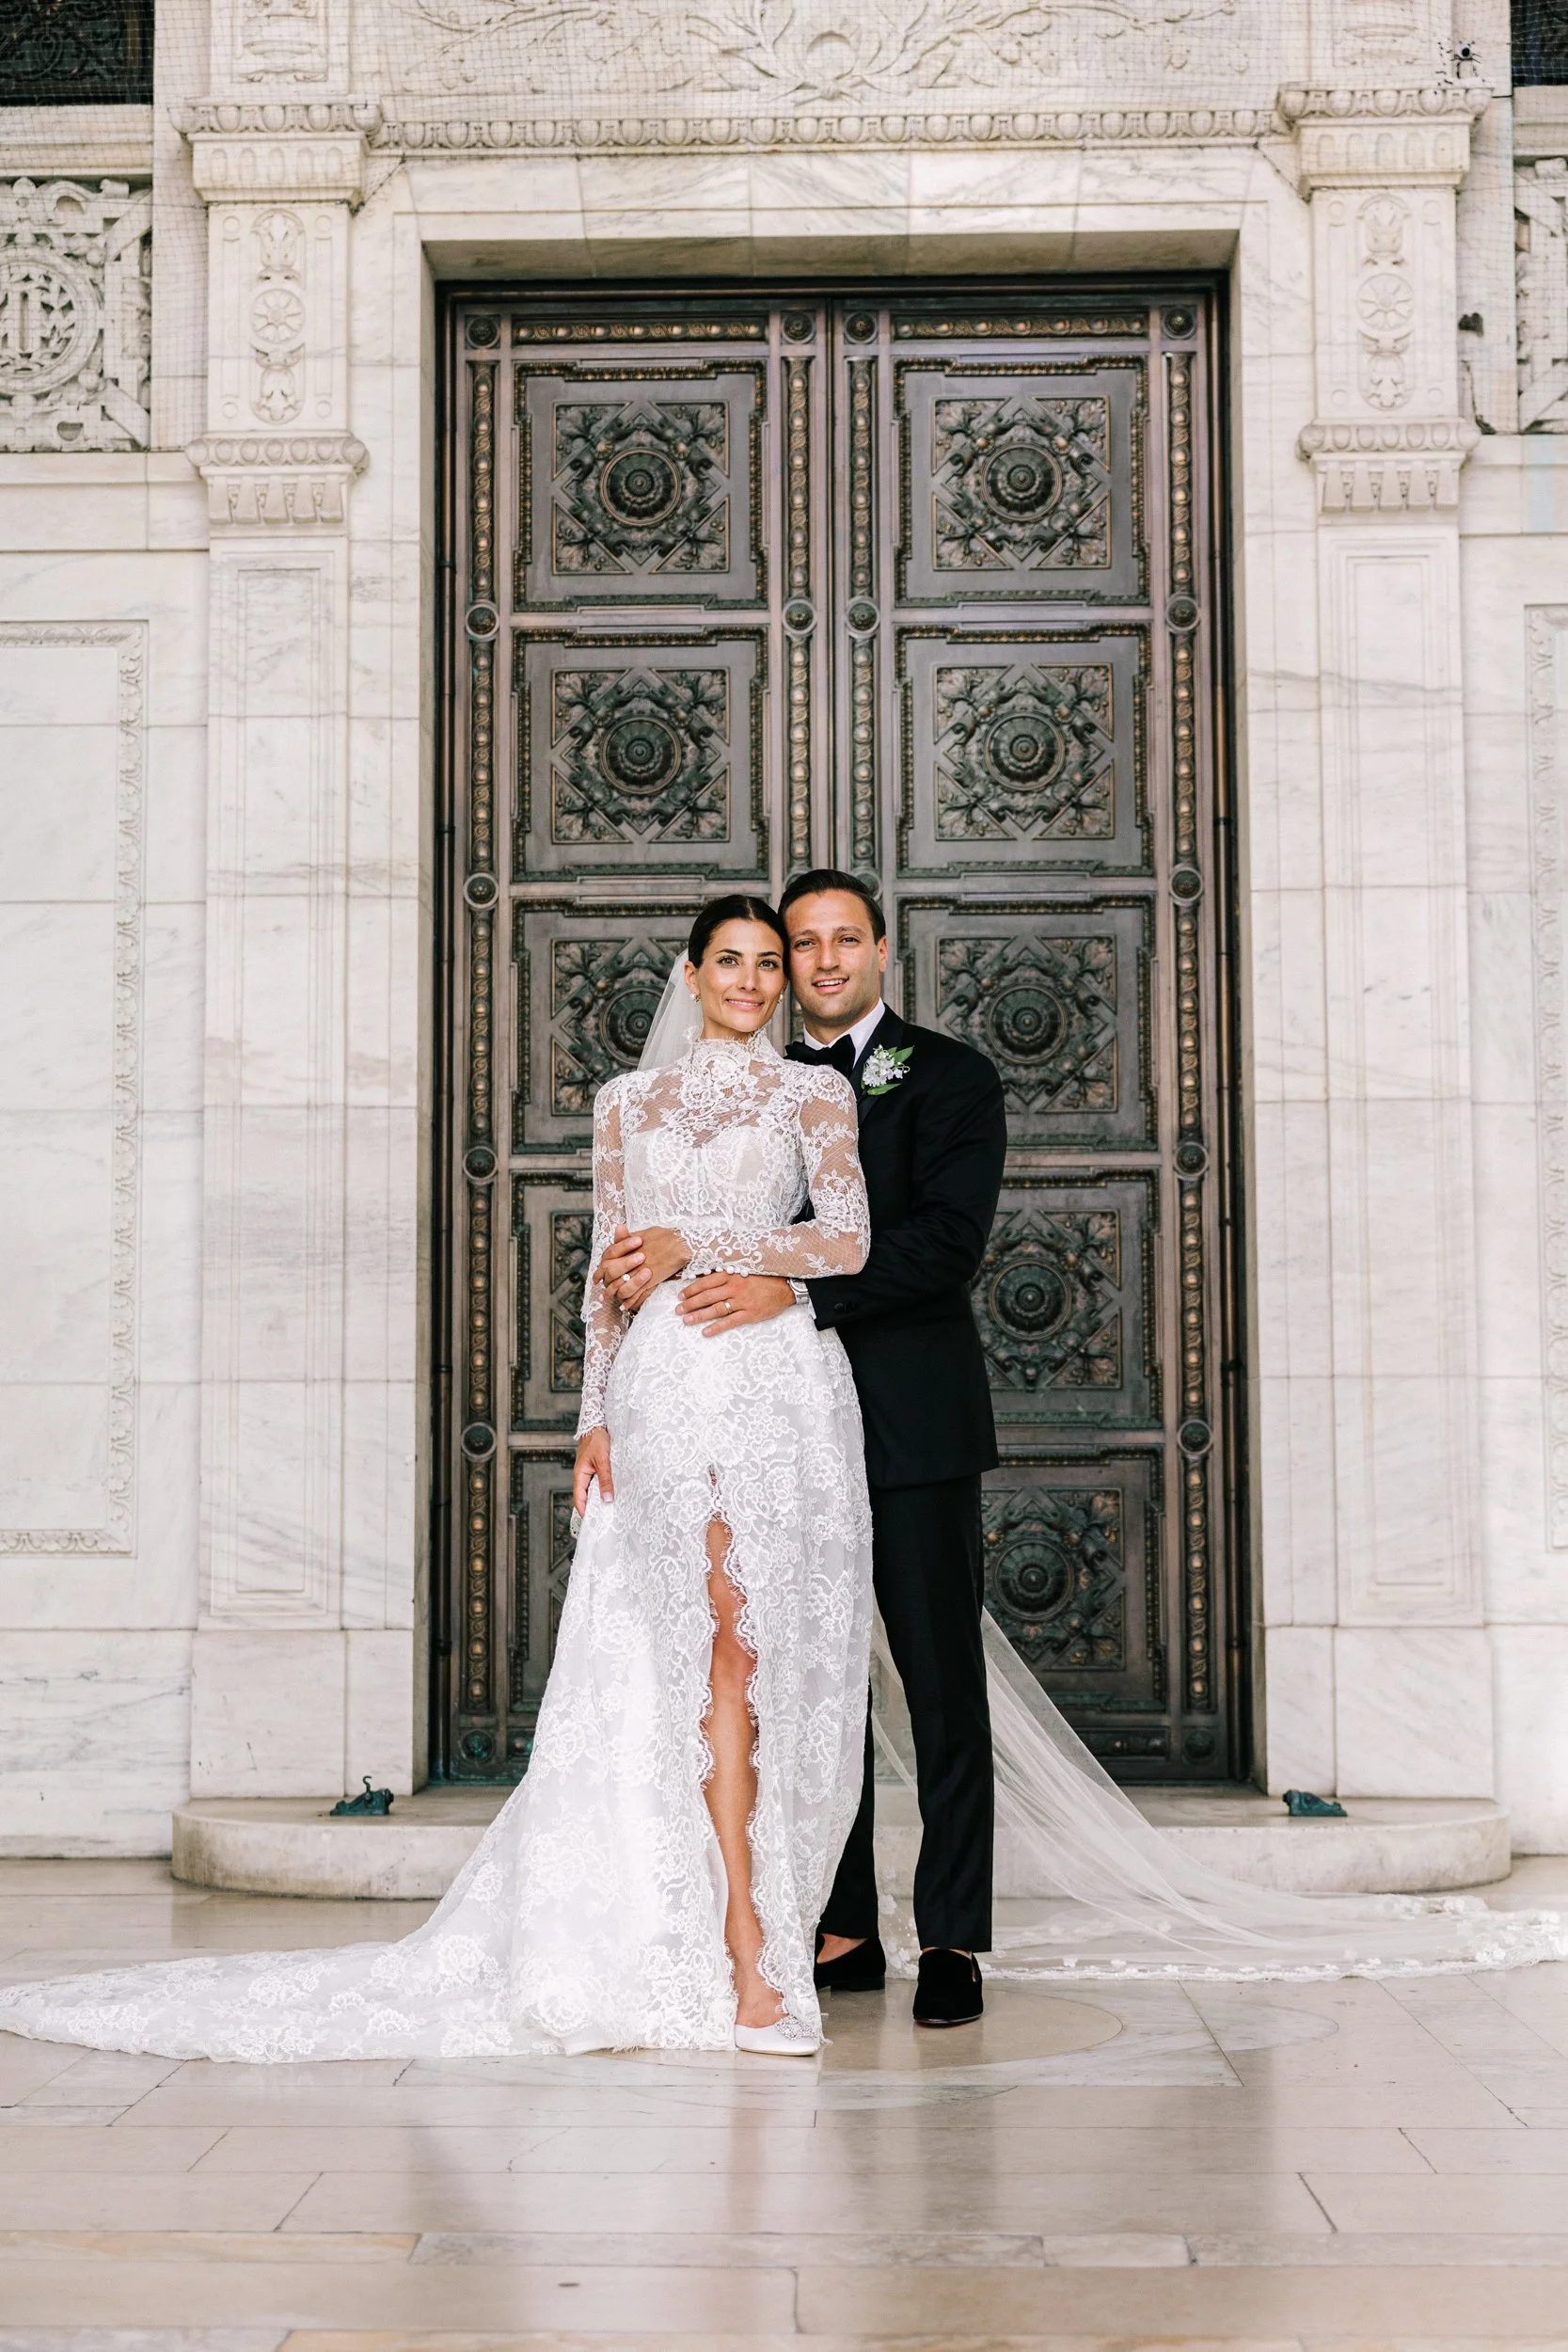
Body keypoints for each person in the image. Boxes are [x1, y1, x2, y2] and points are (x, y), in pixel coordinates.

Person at [0, 897, 875, 2061]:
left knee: (750, 1651)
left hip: (770, 1381)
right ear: (691, 972)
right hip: (664, 1384)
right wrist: (592, 1419)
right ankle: (731, 1949)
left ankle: (751, 1945)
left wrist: (710, 1249)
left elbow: (849, 1239)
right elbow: (605, 1278)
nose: (754, 981)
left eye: (770, 965)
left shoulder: (813, 1094)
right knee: (693, 1647)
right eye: (732, 961)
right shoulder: (627, 1106)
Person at [604, 869, 1006, 2028]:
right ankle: (837, 1924)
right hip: (769, 1420)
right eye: (798, 944)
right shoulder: (737, 1086)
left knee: (937, 1683)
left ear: (880, 951)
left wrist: (792, 1293)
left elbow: (943, 1242)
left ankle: (952, 1937)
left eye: (842, 941)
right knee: (796, 1669)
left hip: (910, 1417)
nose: (819, 962)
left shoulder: (949, 1077)